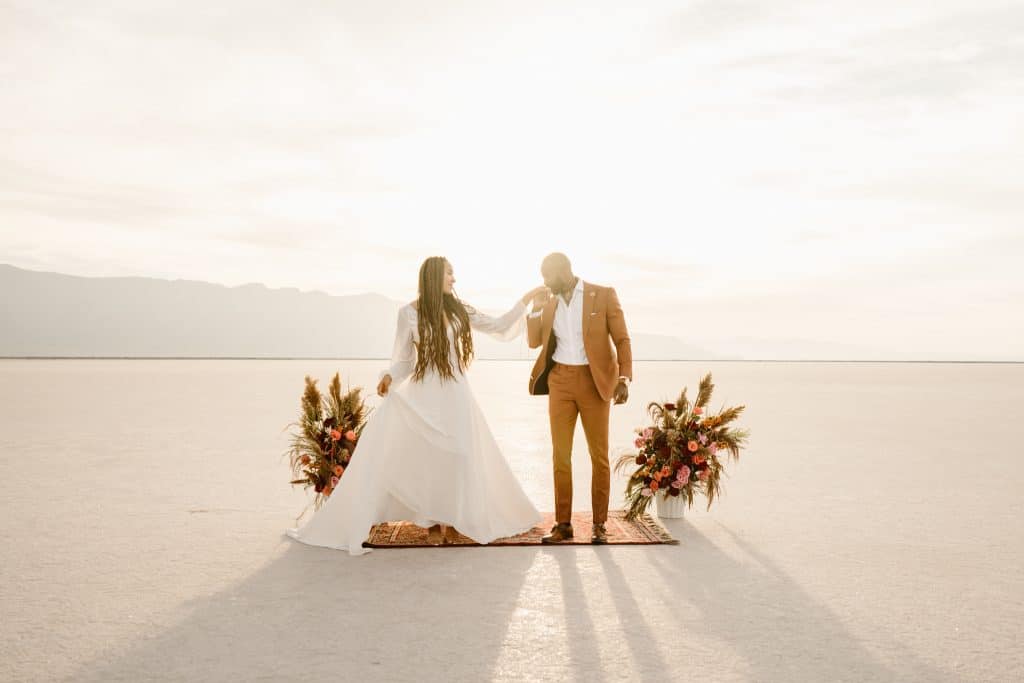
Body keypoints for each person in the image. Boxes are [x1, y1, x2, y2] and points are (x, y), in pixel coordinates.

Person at [285, 256, 545, 555]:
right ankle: (433, 522)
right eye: (450, 273)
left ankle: (454, 517)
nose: (454, 279)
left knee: (460, 454)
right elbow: (405, 360)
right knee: (430, 457)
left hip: (456, 392)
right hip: (425, 390)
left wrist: (526, 299)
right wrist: (387, 377)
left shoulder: (459, 310)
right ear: (434, 277)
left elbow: (498, 325)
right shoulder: (408, 313)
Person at [526, 252, 632, 544]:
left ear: (564, 271)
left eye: (548, 276)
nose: (545, 282)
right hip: (560, 381)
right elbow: (534, 341)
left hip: (594, 381)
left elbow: (622, 339)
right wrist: (535, 310)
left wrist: (624, 378)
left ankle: (599, 524)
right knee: (560, 455)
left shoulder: (603, 295)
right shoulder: (549, 302)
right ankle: (563, 525)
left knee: (599, 456)